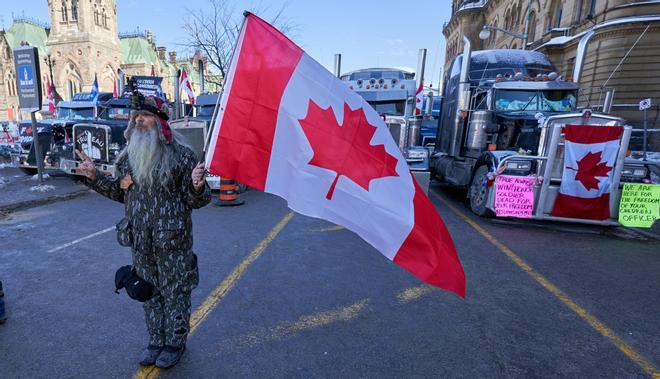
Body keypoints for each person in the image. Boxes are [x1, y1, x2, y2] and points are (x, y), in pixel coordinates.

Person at [76, 95, 211, 368]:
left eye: (145, 116)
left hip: (172, 241)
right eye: (136, 115)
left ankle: (174, 343)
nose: (139, 120)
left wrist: (197, 187)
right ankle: (155, 341)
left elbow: (196, 200)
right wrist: (94, 178)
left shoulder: (182, 157)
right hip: (141, 242)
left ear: (160, 122)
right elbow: (120, 193)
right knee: (148, 292)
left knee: (175, 292)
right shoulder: (128, 158)